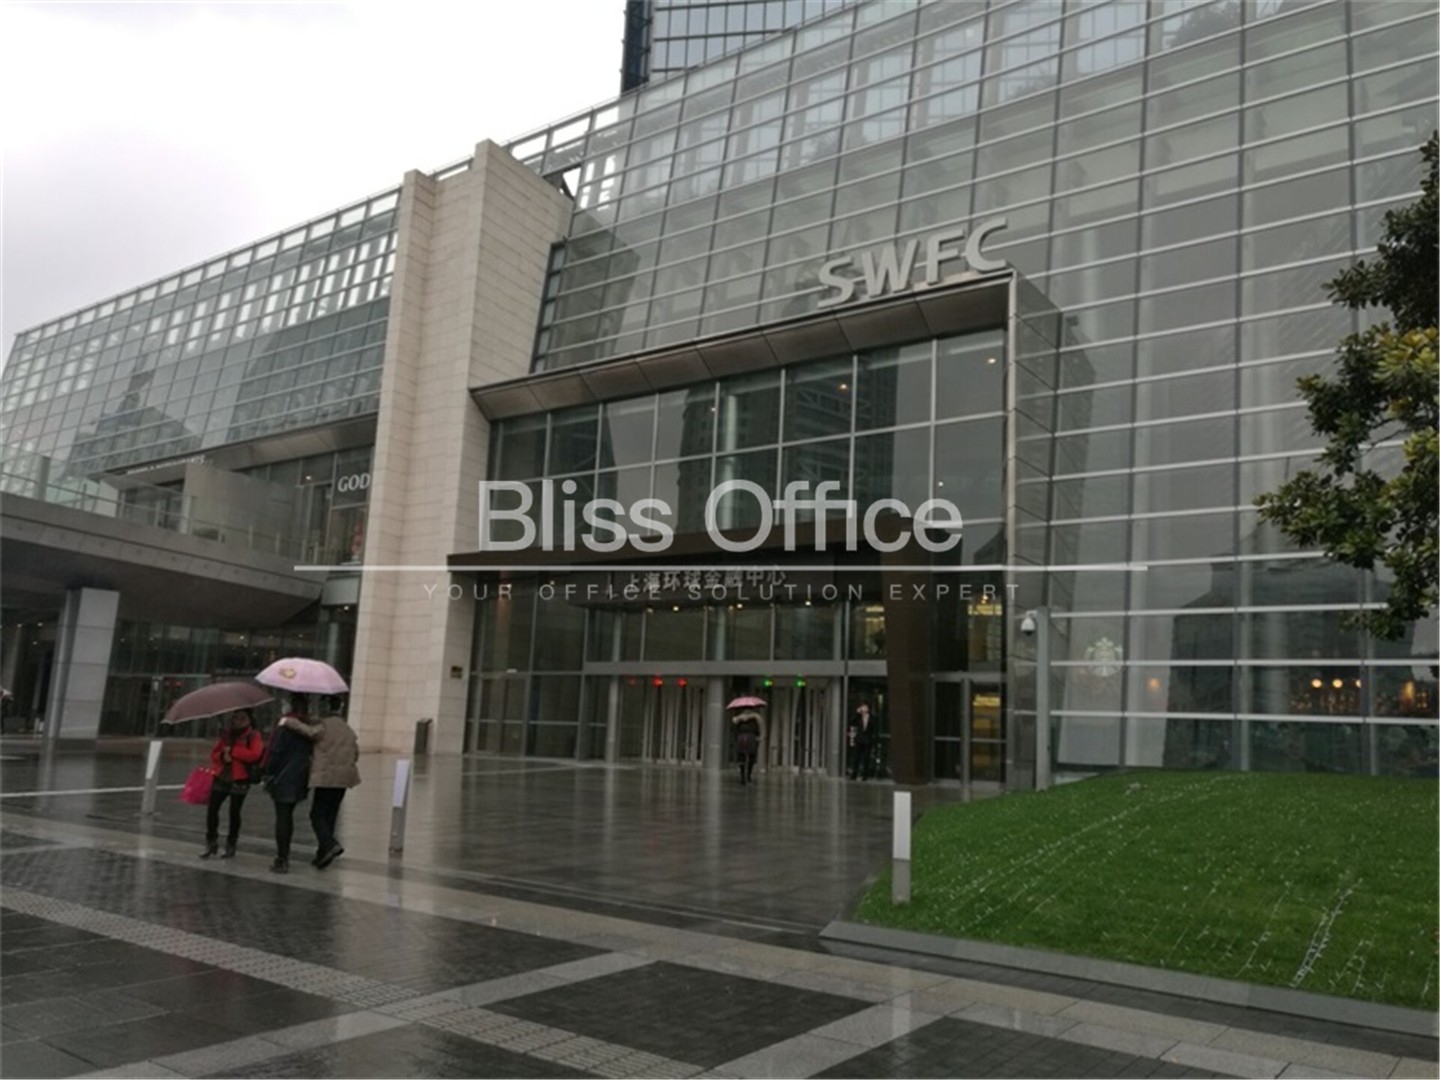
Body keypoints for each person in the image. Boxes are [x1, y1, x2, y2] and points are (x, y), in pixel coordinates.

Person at [283, 695, 360, 869]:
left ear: (326, 707)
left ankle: (330, 844)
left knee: (317, 814)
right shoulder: (348, 729)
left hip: (326, 777)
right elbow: (355, 754)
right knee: (330, 815)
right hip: (344, 778)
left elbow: (309, 732)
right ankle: (323, 853)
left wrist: (289, 721)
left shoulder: (324, 726)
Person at [200, 710, 264, 859]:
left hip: (241, 778)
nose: (238, 721)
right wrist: (223, 755)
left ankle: (231, 844)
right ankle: (211, 841)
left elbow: (255, 754)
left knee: (234, 812)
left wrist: (234, 751)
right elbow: (214, 754)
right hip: (222, 776)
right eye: (236, 718)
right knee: (212, 809)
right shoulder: (226, 735)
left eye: (243, 718)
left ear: (249, 720)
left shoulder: (253, 735)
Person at [261, 700, 314, 874]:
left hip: (283, 778)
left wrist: (268, 772)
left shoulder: (284, 729)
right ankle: (284, 855)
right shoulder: (308, 729)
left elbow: (276, 753)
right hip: (300, 778)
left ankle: (282, 858)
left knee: (282, 818)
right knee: (287, 816)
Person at [731, 707, 763, 785]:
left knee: (751, 757)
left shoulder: (755, 717)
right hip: (742, 736)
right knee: (742, 757)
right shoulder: (739, 717)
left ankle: (748, 775)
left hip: (751, 736)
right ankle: (743, 776)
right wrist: (741, 717)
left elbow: (760, 724)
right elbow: (734, 721)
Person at [847, 702, 876, 781]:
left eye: (865, 707)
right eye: (862, 707)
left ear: (868, 709)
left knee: (866, 758)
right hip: (859, 740)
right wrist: (857, 713)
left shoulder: (872, 717)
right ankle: (854, 774)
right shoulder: (858, 717)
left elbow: (874, 728)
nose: (863, 708)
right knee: (856, 758)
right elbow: (852, 722)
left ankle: (864, 775)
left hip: (868, 740)